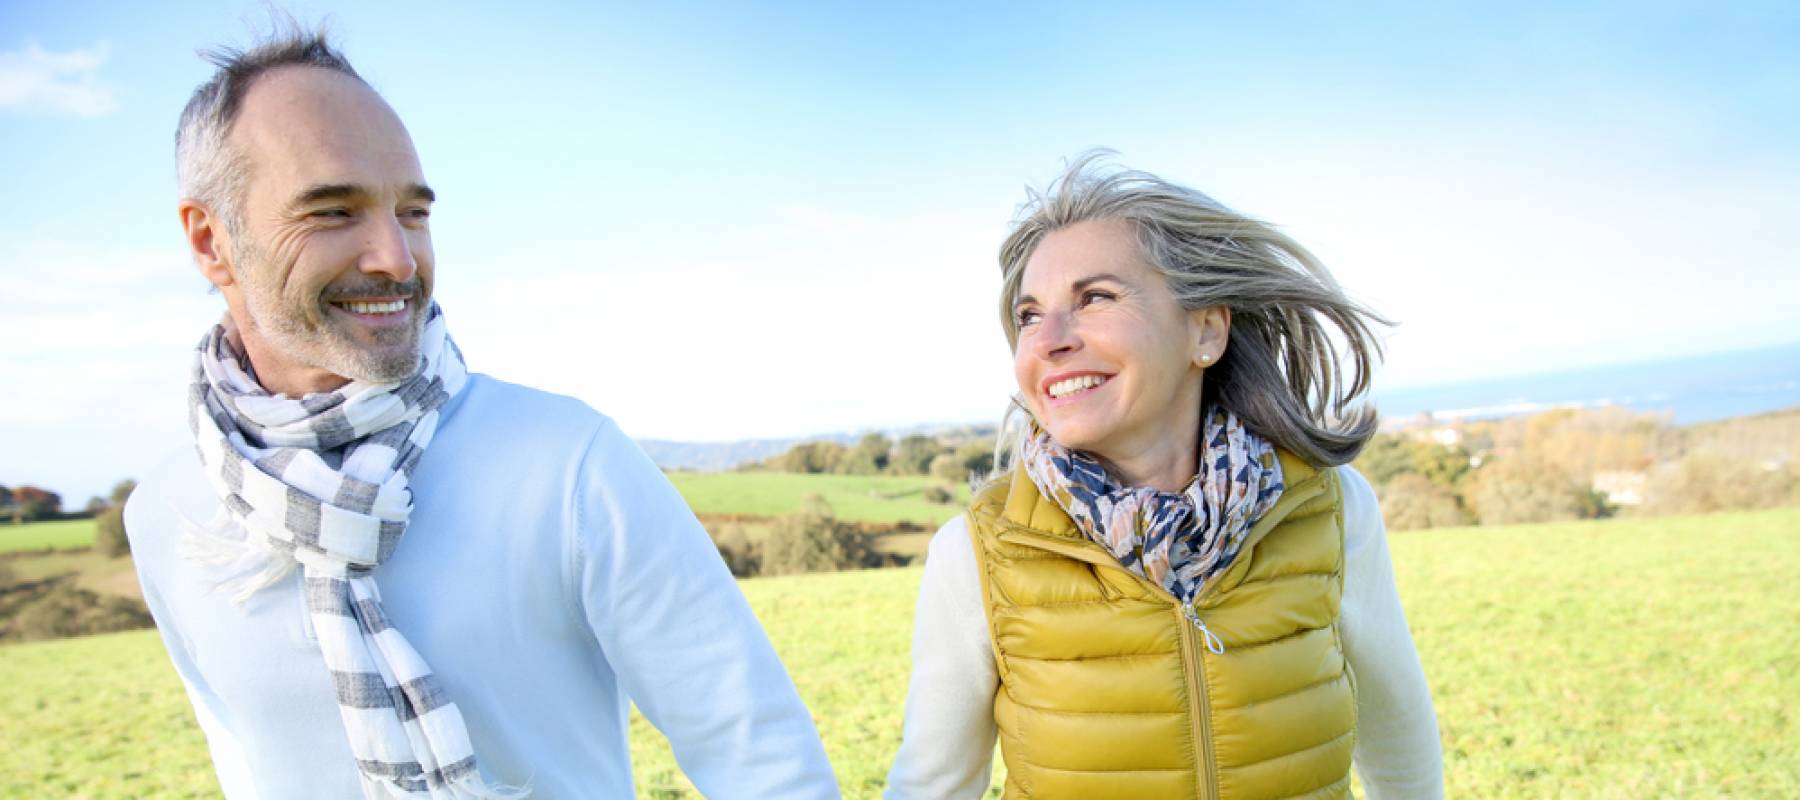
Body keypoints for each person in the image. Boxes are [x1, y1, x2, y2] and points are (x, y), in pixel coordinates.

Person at [125, 28, 839, 799]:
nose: (396, 258)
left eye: (413, 213)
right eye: (334, 211)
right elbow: (245, 766)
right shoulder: (165, 514)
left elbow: (761, 759)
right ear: (211, 241)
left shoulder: (568, 464)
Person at [884, 155, 1444, 799]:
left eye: (1094, 297)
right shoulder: (977, 553)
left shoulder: (1330, 506)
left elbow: (1399, 739)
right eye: (1030, 315)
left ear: (1205, 330)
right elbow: (932, 786)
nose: (1049, 340)